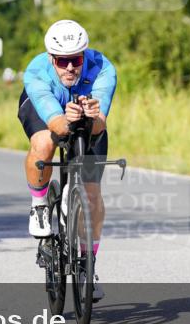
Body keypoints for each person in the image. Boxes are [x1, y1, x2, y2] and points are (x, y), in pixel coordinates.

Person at [19, 19, 117, 301]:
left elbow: (100, 124)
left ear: (84, 55)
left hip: (87, 117)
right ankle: (39, 204)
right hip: (47, 110)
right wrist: (67, 119)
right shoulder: (36, 72)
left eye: (76, 59)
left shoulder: (103, 68)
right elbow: (57, 125)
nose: (71, 67)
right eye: (63, 61)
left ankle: (88, 265)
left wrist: (92, 117)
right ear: (52, 58)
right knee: (44, 142)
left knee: (93, 194)